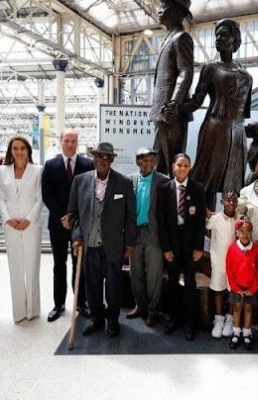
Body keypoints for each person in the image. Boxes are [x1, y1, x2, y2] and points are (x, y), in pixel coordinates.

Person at [68, 142, 136, 337]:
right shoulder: (80, 181)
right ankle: (96, 318)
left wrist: (130, 244)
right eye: (98, 156)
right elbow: (73, 213)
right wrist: (77, 236)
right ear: (94, 158)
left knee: (114, 287)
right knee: (92, 287)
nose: (101, 160)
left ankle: (113, 320)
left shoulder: (124, 183)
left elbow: (130, 216)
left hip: (113, 245)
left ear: (112, 160)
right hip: (89, 245)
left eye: (105, 157)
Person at [183, 18, 253, 209]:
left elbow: (244, 111)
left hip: (237, 133)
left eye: (224, 34)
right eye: (217, 35)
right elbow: (197, 101)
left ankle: (231, 227)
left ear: (234, 38)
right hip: (215, 129)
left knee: (234, 183)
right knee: (209, 181)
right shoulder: (210, 69)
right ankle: (206, 224)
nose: (219, 39)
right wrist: (178, 106)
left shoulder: (246, 75)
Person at [42, 128, 94, 322]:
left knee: (79, 265)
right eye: (67, 140)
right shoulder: (50, 165)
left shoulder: (87, 165)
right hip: (57, 225)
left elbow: (89, 195)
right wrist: (62, 216)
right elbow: (46, 194)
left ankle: (81, 303)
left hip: (79, 226)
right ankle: (59, 304)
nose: (70, 144)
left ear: (77, 143)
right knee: (58, 265)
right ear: (60, 141)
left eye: (73, 141)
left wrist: (74, 219)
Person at [157, 153, 206, 340]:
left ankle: (190, 322)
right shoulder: (164, 189)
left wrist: (199, 247)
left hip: (190, 244)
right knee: (172, 282)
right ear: (173, 167)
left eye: (186, 165)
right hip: (172, 244)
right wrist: (166, 248)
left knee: (190, 284)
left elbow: (201, 220)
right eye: (179, 165)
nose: (183, 169)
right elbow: (161, 221)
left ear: (190, 168)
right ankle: (173, 318)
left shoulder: (198, 189)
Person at [0, 137, 43, 323]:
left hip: (31, 225)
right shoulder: (2, 170)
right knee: (14, 268)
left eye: (22, 148)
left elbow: (40, 198)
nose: (19, 152)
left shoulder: (38, 170)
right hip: (11, 226)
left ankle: (33, 310)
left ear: (28, 151)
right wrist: (7, 219)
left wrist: (29, 220)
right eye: (15, 148)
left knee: (32, 268)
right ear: (10, 151)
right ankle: (19, 312)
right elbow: (0, 196)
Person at [151, 0, 194, 175]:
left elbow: (186, 71)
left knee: (172, 163)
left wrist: (175, 102)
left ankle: (174, 201)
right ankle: (161, 201)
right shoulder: (168, 38)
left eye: (164, 7)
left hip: (171, 112)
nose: (159, 10)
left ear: (176, 12)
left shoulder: (181, 37)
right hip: (164, 110)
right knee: (160, 161)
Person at [127, 147, 168, 327]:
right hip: (134, 234)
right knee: (135, 274)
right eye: (144, 159)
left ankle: (153, 310)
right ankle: (140, 305)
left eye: (151, 160)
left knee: (154, 276)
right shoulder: (129, 180)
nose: (148, 163)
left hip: (154, 234)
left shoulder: (164, 181)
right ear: (138, 162)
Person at [206, 190, 238, 338]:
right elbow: (206, 231)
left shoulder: (240, 219)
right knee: (218, 290)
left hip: (235, 264)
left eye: (234, 200)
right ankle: (218, 319)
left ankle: (230, 319)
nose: (231, 203)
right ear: (222, 202)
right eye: (228, 200)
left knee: (233, 291)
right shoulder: (216, 218)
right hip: (218, 261)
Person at [226, 219, 258, 350]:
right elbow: (229, 269)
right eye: (241, 231)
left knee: (248, 309)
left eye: (248, 231)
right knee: (236, 308)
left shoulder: (257, 249)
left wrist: (253, 288)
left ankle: (246, 333)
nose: (245, 234)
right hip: (237, 287)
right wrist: (235, 287)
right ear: (236, 232)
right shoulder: (232, 249)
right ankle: (235, 333)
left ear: (251, 232)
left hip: (251, 288)